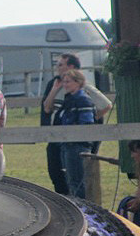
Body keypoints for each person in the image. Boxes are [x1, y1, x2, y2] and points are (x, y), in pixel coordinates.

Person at [41, 54, 112, 194]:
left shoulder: (83, 90)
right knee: (58, 174)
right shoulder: (56, 84)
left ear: (71, 67)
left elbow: (106, 105)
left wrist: (90, 116)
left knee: (76, 179)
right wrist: (55, 89)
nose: (57, 68)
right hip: (57, 138)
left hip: (75, 141)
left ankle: (79, 208)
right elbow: (47, 108)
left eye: (61, 65)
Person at [55, 69, 96, 199]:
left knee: (77, 182)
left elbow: (87, 123)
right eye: (64, 82)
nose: (65, 85)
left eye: (68, 82)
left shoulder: (83, 100)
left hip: (77, 145)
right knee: (71, 181)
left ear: (78, 82)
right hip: (67, 144)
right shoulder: (70, 99)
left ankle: (83, 210)